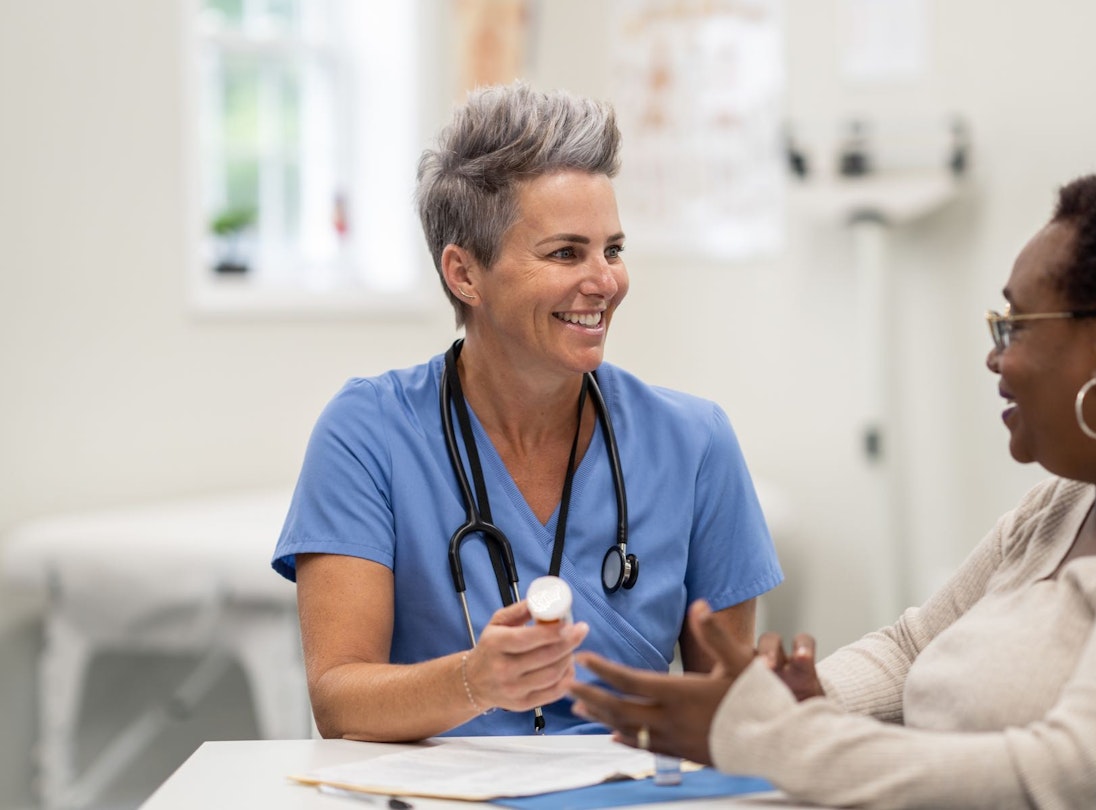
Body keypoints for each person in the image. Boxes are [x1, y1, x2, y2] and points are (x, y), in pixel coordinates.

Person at [570, 170, 1096, 807]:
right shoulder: (1078, 498)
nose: (995, 360)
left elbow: (1068, 787)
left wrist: (767, 736)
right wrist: (809, 694)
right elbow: (912, 648)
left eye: (1014, 328)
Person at [271, 83, 783, 741]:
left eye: (613, 249)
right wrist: (476, 681)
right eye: (566, 252)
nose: (605, 280)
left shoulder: (694, 443)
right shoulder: (367, 433)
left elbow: (724, 709)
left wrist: (771, 703)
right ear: (464, 275)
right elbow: (339, 700)